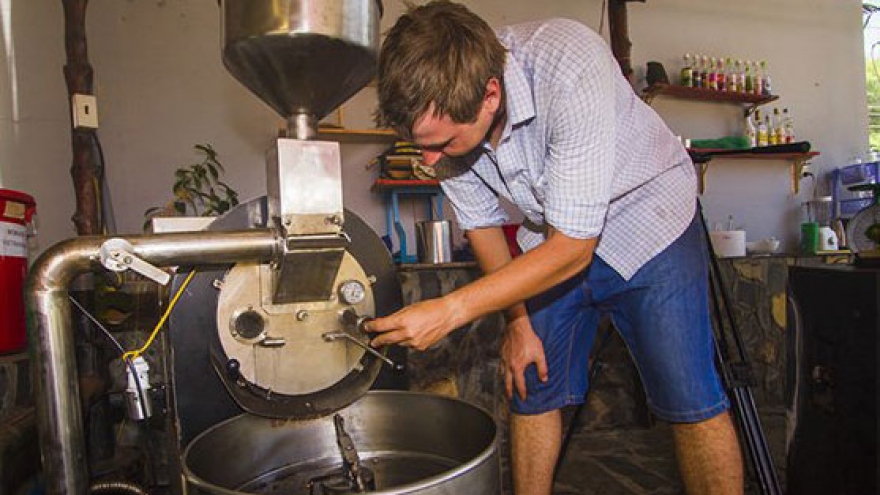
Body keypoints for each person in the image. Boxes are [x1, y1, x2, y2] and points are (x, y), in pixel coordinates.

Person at [366, 2, 744, 494]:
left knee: (688, 396)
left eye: (441, 143)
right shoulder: (444, 127)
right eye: (421, 144)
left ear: (489, 96)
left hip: (650, 218)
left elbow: (573, 250)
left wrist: (451, 309)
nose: (429, 159)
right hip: (553, 230)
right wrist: (517, 323)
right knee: (532, 381)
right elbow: (483, 228)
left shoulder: (568, 66)